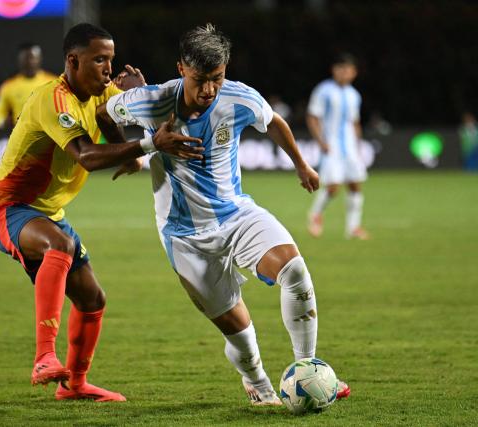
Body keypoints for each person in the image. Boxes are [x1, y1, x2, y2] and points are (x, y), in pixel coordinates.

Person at [96, 24, 350, 406]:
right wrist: (130, 153)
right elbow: (103, 112)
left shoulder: (238, 97)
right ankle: (258, 381)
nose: (210, 90)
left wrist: (301, 165)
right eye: (201, 80)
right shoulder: (152, 101)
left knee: (294, 270)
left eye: (217, 78)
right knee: (241, 336)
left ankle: (308, 369)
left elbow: (274, 123)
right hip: (184, 236)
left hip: (237, 215)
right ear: (182, 68)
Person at [0, 23, 203, 402]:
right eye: (99, 60)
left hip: (49, 212)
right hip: (10, 207)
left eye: (111, 60)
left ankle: (75, 385)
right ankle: (44, 358)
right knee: (60, 245)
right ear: (73, 61)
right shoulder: (53, 99)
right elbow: (85, 155)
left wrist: (141, 93)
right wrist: (146, 144)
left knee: (92, 300)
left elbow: (137, 117)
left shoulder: (103, 94)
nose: (107, 69)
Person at [306, 53, 369, 239]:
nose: (343, 73)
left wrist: (358, 145)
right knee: (333, 187)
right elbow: (312, 117)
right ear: (334, 70)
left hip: (349, 147)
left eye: (347, 70)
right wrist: (321, 141)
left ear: (354, 73)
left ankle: (353, 228)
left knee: (355, 185)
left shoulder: (354, 95)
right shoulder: (323, 90)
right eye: (340, 69)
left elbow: (355, 122)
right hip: (331, 146)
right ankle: (316, 214)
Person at [0, 43, 56, 131]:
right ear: (19, 60)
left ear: (40, 59)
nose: (30, 62)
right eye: (26, 58)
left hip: (48, 136)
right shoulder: (8, 86)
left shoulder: (54, 83)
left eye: (33, 58)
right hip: (21, 137)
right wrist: (4, 123)